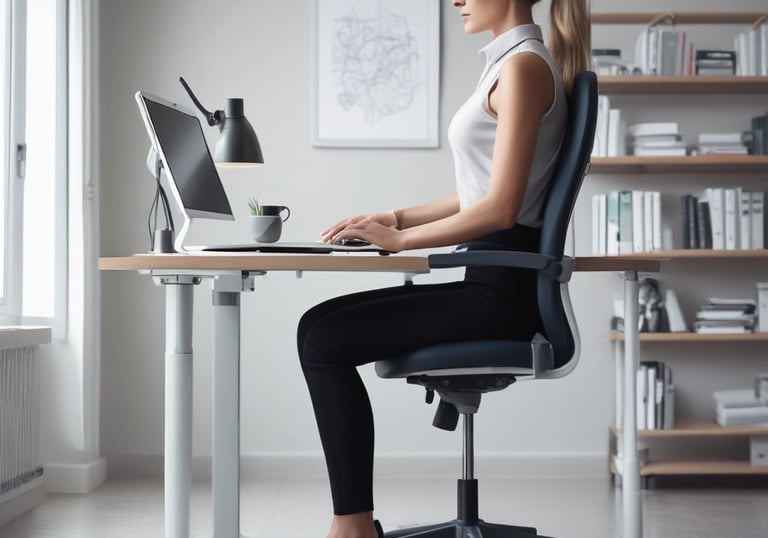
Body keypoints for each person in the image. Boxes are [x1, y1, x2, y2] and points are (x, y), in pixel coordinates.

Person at [297, 1, 590, 536]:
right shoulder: (512, 64)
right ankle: (355, 522)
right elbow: (479, 189)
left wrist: (401, 239)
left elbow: (500, 208)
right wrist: (394, 215)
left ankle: (353, 526)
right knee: (316, 327)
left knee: (323, 342)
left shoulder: (525, 67)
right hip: (490, 276)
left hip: (501, 293)